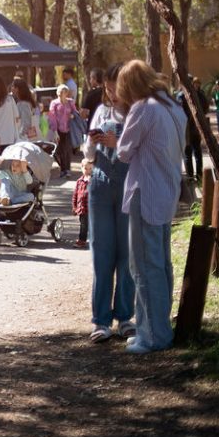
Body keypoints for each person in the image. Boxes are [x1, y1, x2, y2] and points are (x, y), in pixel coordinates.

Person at [116, 60, 186, 354]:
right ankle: (154, 327)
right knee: (161, 264)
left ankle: (153, 336)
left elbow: (123, 151)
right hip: (166, 192)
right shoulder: (172, 107)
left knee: (144, 266)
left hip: (145, 193)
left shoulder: (142, 108)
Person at [83, 62, 135, 344]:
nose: (112, 93)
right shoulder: (102, 111)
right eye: (108, 88)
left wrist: (119, 142)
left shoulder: (137, 112)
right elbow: (89, 153)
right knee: (101, 254)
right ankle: (101, 320)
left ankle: (125, 316)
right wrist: (92, 143)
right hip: (101, 185)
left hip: (129, 185)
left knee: (126, 255)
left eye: (116, 88)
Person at [177, 77, 208, 181]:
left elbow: (179, 111)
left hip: (186, 128)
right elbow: (206, 108)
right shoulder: (200, 94)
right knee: (197, 152)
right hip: (197, 126)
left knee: (188, 153)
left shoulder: (181, 95)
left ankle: (190, 176)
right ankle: (199, 175)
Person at [48, 84, 79, 178]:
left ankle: (68, 170)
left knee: (68, 149)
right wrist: (54, 130)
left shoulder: (70, 102)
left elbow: (75, 113)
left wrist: (73, 116)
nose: (64, 93)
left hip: (69, 129)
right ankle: (62, 169)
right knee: (60, 150)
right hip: (58, 130)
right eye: (62, 92)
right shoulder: (54, 103)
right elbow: (52, 117)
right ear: (59, 93)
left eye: (65, 91)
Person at [72, 158, 92, 248]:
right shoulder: (79, 181)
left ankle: (95, 241)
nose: (88, 171)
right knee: (83, 225)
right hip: (82, 208)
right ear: (81, 168)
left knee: (93, 226)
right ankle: (82, 240)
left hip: (91, 208)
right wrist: (74, 207)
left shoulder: (94, 180)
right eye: (86, 168)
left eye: (90, 169)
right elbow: (75, 195)